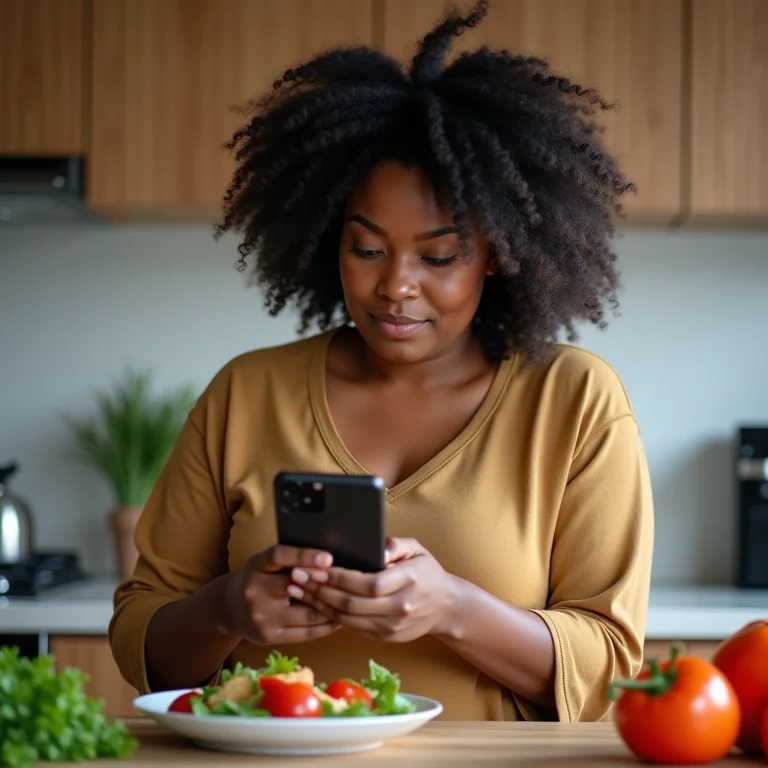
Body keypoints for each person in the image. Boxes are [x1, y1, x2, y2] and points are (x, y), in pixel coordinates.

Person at [109, 0, 653, 722]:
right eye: (367, 249)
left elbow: (610, 661)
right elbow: (139, 638)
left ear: (496, 253)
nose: (396, 284)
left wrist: (453, 607)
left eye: (437, 255)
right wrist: (231, 606)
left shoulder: (574, 400)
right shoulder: (246, 393)